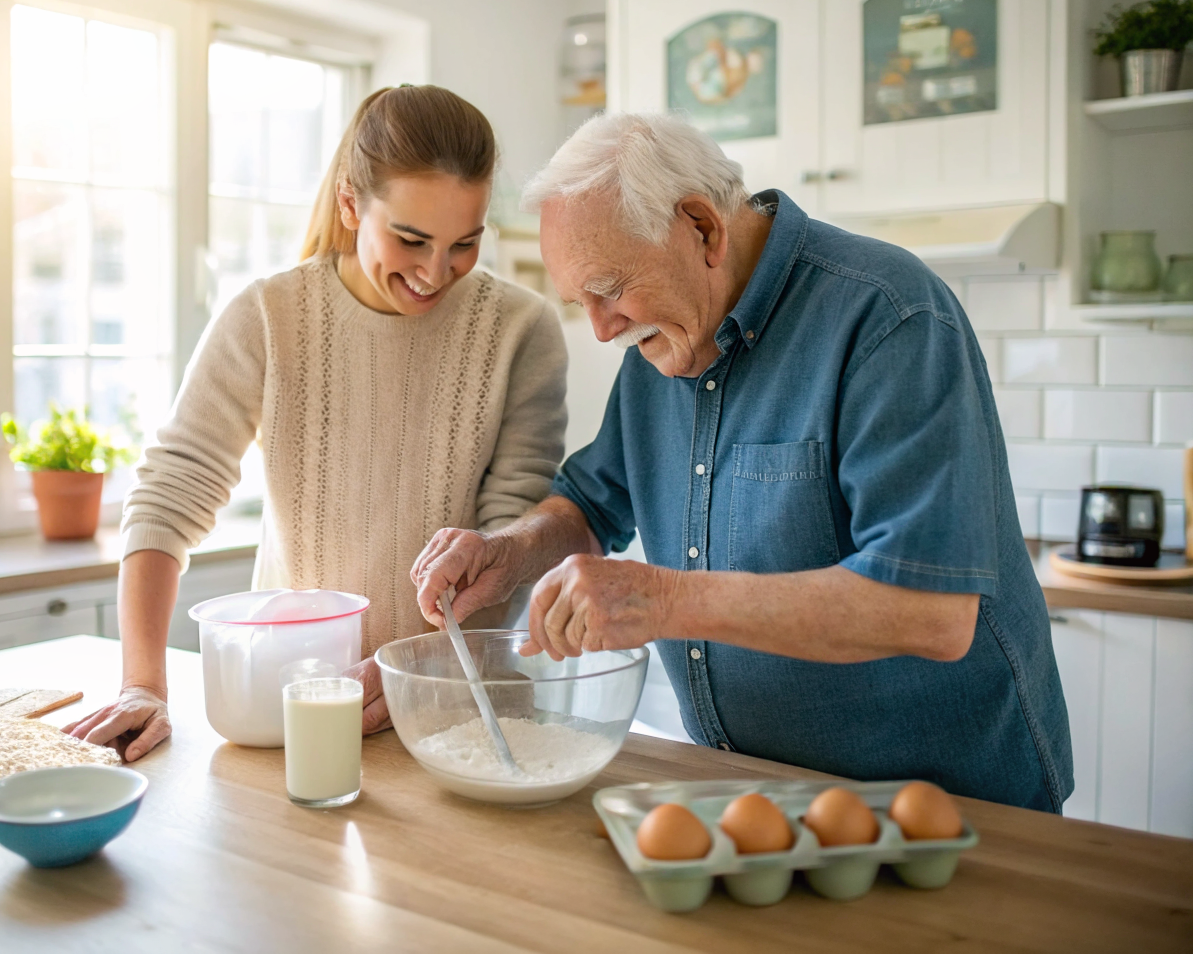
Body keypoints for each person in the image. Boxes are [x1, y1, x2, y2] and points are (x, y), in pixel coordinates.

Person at [412, 111, 1073, 811]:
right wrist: (508, 551)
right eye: (582, 302)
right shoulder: (660, 339)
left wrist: (661, 600)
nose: (603, 329)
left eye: (608, 289)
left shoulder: (887, 316)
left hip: (943, 805)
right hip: (752, 797)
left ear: (700, 227)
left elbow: (928, 612)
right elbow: (592, 503)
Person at [66, 85, 567, 760]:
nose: (434, 271)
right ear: (351, 203)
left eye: (464, 244)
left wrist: (424, 671)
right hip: (294, 711)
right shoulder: (269, 317)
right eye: (411, 238)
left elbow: (507, 536)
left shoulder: (521, 330)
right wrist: (142, 685)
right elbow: (170, 492)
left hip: (461, 713)